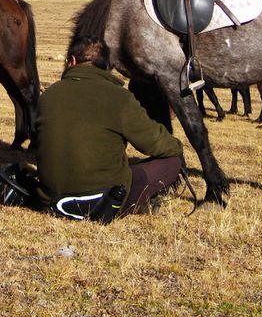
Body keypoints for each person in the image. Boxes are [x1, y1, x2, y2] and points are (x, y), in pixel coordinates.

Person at [35, 35, 183, 222]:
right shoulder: (120, 98)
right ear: (107, 66)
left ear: (72, 61)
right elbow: (157, 144)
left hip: (49, 198)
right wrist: (176, 146)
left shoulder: (48, 95)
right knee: (173, 162)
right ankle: (135, 203)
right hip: (104, 201)